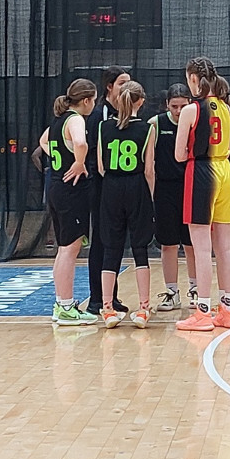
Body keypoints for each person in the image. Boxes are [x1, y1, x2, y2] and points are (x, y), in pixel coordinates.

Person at [175, 57, 230, 334]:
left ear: (193, 79)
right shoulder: (228, 108)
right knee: (226, 247)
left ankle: (203, 312)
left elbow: (179, 154)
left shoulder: (191, 110)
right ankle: (228, 310)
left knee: (201, 248)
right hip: (226, 172)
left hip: (201, 172)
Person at [38, 79, 99, 326]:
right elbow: (81, 143)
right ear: (86, 100)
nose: (94, 105)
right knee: (69, 249)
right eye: (93, 100)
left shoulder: (58, 120)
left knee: (64, 249)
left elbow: (43, 142)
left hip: (56, 186)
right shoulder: (75, 119)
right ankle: (65, 306)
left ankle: (62, 303)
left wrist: (63, 157)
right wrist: (78, 162)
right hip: (70, 190)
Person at [97, 81, 156, 329]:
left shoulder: (103, 127)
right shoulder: (147, 129)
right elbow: (149, 169)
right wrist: (149, 196)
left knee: (111, 249)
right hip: (136, 186)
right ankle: (143, 308)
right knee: (140, 249)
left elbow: (101, 167)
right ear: (140, 101)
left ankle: (107, 309)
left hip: (111, 186)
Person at [84, 66, 132, 316]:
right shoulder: (98, 115)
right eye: (122, 83)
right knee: (102, 242)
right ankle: (96, 299)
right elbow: (92, 150)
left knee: (115, 241)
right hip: (101, 186)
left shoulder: (125, 113)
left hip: (120, 187)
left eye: (129, 82)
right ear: (109, 86)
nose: (126, 87)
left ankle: (110, 296)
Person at [148, 84, 197, 312]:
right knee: (168, 244)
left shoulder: (196, 122)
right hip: (165, 190)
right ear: (167, 105)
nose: (178, 111)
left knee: (192, 243)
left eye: (183, 106)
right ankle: (171, 293)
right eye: (174, 106)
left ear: (190, 104)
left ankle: (196, 290)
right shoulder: (156, 124)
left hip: (192, 188)